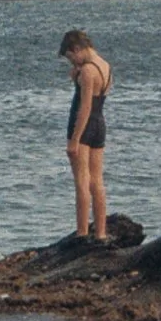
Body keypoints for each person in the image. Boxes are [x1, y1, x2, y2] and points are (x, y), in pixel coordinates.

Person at [59, 29, 112, 242]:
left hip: (84, 125)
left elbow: (85, 106)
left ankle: (82, 233)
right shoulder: (104, 66)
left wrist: (74, 140)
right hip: (99, 124)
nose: (72, 63)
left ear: (78, 49)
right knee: (97, 181)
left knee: (81, 182)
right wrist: (76, 73)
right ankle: (100, 232)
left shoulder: (88, 72)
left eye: (72, 57)